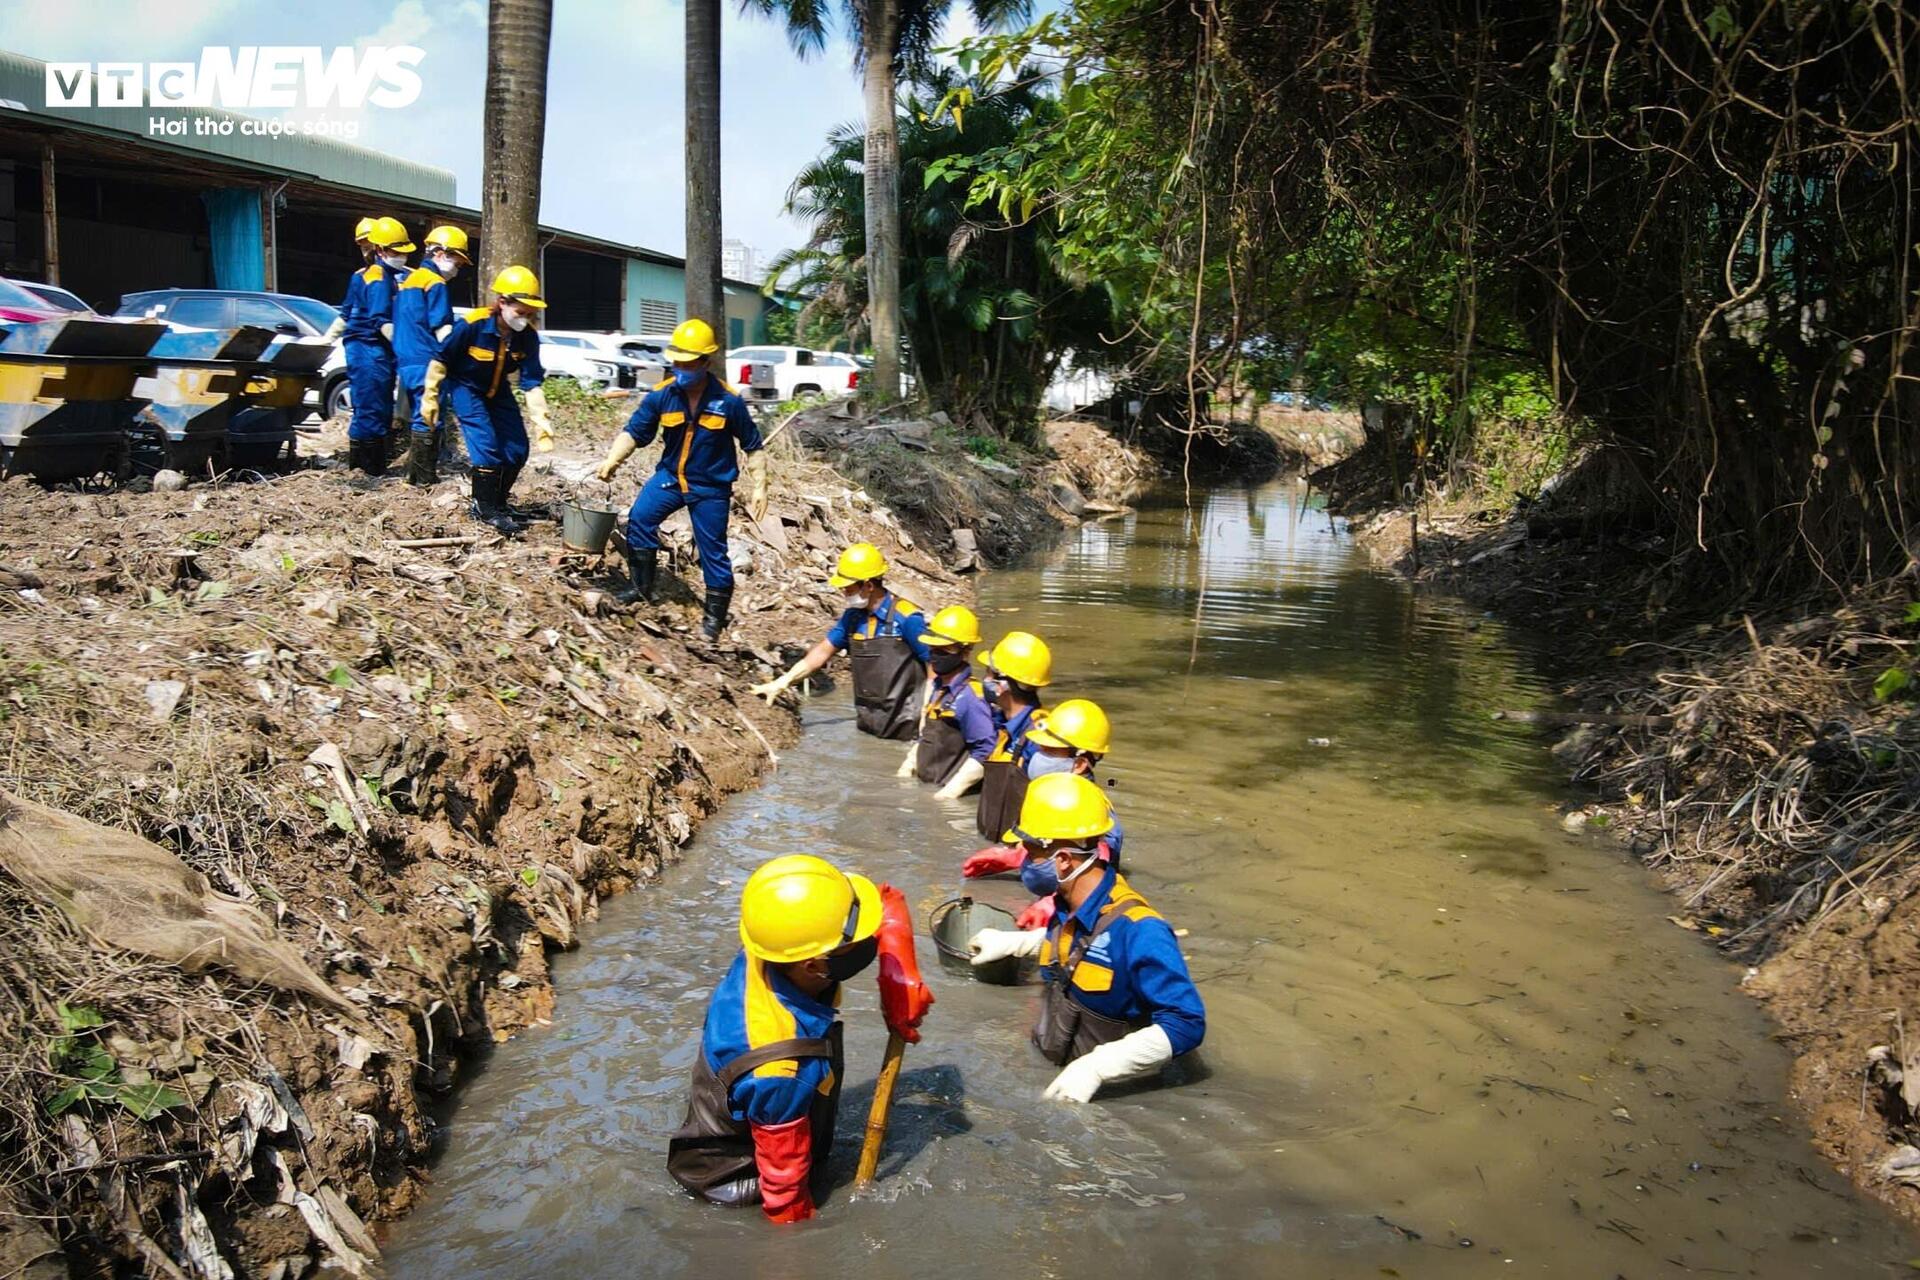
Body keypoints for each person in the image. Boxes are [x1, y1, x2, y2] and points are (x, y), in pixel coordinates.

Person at [667, 855, 933, 1223]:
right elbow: (784, 1193)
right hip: (738, 1179)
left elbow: (886, 898)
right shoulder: (781, 1068)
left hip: (753, 1098)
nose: (867, 941)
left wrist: (898, 974)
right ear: (814, 965)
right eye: (853, 943)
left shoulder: (772, 947)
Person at [968, 774, 1204, 1103]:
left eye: (1032, 851)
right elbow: (1080, 951)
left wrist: (1098, 1067)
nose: (1022, 859)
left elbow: (1187, 1023)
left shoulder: (1140, 930)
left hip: (1112, 1099)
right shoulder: (1066, 906)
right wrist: (1018, 943)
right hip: (1056, 1071)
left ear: (1063, 860)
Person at [595, 317, 767, 641]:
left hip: (711, 487)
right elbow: (635, 431)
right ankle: (641, 588)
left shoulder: (728, 401)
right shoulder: (662, 395)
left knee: (712, 550)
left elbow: (753, 445)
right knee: (640, 519)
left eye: (688, 363)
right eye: (677, 362)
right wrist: (612, 460)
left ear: (705, 361)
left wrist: (760, 486)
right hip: (671, 478)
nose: (681, 368)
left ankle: (714, 620)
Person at [963, 697, 1126, 928]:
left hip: (1079, 917)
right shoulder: (1048, 795)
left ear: (1079, 764)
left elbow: (1098, 862)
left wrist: (1054, 902)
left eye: (1050, 751)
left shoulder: (1095, 811)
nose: (1039, 756)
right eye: (1040, 748)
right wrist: (1014, 856)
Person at [418, 265, 554, 536]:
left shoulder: (527, 337)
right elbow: (441, 360)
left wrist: (541, 421)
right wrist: (430, 398)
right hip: (466, 387)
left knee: (517, 449)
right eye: (520, 312)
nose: (524, 319)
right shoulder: (473, 325)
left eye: (530, 314)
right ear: (502, 302)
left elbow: (531, 381)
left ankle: (499, 503)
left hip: (497, 390)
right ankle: (483, 508)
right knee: (486, 447)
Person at [749, 544, 931, 739]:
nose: (845, 594)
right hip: (869, 724)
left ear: (868, 585)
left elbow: (935, 668)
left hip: (908, 727)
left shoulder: (908, 619)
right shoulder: (852, 618)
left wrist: (927, 721)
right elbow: (822, 652)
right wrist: (782, 682)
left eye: (849, 589)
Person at [393, 225, 471, 487]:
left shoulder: (408, 281)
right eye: (456, 261)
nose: (456, 269)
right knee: (430, 415)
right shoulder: (434, 283)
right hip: (427, 359)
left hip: (407, 359)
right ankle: (424, 478)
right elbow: (442, 327)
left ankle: (414, 475)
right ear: (438, 253)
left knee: (420, 413)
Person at [897, 605, 996, 799]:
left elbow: (986, 750)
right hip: (927, 788)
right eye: (933, 647)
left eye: (944, 649)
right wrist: (908, 765)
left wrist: (949, 793)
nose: (936, 654)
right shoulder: (938, 688)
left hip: (951, 799)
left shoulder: (970, 698)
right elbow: (927, 737)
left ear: (965, 651)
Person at [338, 216, 412, 476]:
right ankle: (365, 470)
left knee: (380, 406)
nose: (366, 250)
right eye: (363, 246)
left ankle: (373, 465)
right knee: (369, 406)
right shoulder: (373, 278)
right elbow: (371, 317)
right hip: (367, 347)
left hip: (379, 350)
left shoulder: (396, 277)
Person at [973, 631, 1053, 845]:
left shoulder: (1040, 739)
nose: (985, 680)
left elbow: (1052, 813)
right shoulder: (1002, 723)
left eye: (989, 673)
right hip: (993, 847)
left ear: (1003, 685)